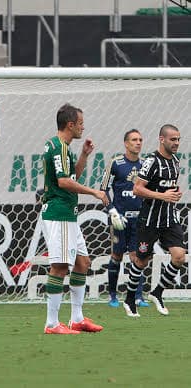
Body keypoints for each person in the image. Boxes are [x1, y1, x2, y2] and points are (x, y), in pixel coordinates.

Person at [41, 103, 109, 334]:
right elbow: (63, 183)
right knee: (59, 267)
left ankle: (77, 318)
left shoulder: (65, 148)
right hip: (58, 212)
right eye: (80, 123)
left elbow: (72, 176)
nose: (83, 127)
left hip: (68, 213)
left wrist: (84, 155)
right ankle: (51, 323)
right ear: (70, 125)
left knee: (82, 263)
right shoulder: (58, 147)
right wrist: (95, 192)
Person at [123, 124, 184, 317]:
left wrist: (175, 195)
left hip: (169, 219)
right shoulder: (151, 161)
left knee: (179, 256)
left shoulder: (175, 161)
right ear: (162, 139)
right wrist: (162, 196)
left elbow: (169, 189)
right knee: (141, 261)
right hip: (149, 220)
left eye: (178, 139)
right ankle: (130, 299)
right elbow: (137, 189)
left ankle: (157, 292)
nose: (176, 143)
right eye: (173, 139)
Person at [100, 129, 149, 308]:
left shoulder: (146, 165)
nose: (138, 143)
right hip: (119, 220)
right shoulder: (116, 163)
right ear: (126, 143)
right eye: (134, 140)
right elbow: (103, 190)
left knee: (138, 257)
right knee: (117, 255)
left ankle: (137, 297)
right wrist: (112, 211)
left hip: (139, 221)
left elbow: (150, 191)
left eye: (140, 140)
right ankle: (112, 296)